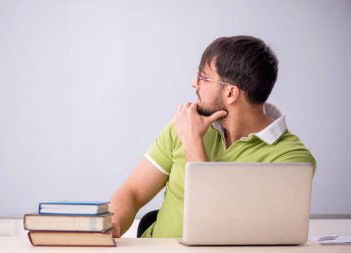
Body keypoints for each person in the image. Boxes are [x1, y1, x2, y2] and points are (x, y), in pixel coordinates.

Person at [109, 35, 316, 238]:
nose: (194, 83)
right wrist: (111, 226)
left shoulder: (291, 160)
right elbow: (133, 192)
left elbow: (223, 227)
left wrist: (193, 145)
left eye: (203, 77)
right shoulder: (183, 126)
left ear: (231, 93)